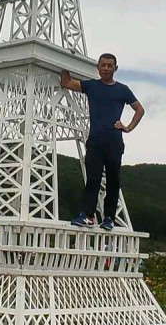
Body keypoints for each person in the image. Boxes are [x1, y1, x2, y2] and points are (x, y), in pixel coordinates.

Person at [60, 53, 145, 231]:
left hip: (114, 141)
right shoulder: (91, 86)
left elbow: (139, 109)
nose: (106, 68)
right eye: (103, 65)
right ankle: (88, 215)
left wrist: (128, 127)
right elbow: (66, 83)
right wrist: (64, 62)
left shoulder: (123, 90)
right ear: (98, 67)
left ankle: (109, 218)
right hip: (95, 140)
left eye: (109, 65)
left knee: (113, 181)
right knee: (93, 179)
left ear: (115, 68)